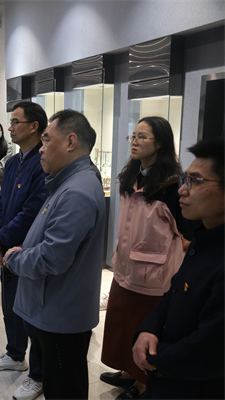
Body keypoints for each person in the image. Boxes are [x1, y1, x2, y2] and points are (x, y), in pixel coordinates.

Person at [3, 109, 106, 399]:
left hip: (61, 315)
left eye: (47, 139)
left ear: (70, 142)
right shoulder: (68, 182)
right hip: (53, 308)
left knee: (64, 390)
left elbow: (52, 257)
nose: (41, 148)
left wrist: (14, 258)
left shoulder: (76, 191)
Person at [99, 117, 188, 399]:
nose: (134, 142)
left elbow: (185, 232)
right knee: (121, 323)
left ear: (159, 143)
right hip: (125, 268)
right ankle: (127, 371)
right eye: (133, 136)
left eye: (142, 137)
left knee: (143, 328)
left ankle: (142, 383)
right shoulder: (132, 176)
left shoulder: (172, 185)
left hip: (154, 276)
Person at [132, 137, 224, 399]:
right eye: (186, 179)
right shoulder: (202, 241)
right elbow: (172, 294)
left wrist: (154, 358)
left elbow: (209, 349)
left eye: (196, 181)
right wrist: (148, 329)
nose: (183, 190)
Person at [0, 101, 48, 400]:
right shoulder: (12, 163)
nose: (9, 127)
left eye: (15, 122)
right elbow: (1, 202)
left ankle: (38, 375)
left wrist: (2, 239)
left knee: (32, 313)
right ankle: (14, 354)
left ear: (34, 126)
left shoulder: (43, 162)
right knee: (10, 304)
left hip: (28, 248)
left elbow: (32, 211)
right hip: (7, 246)